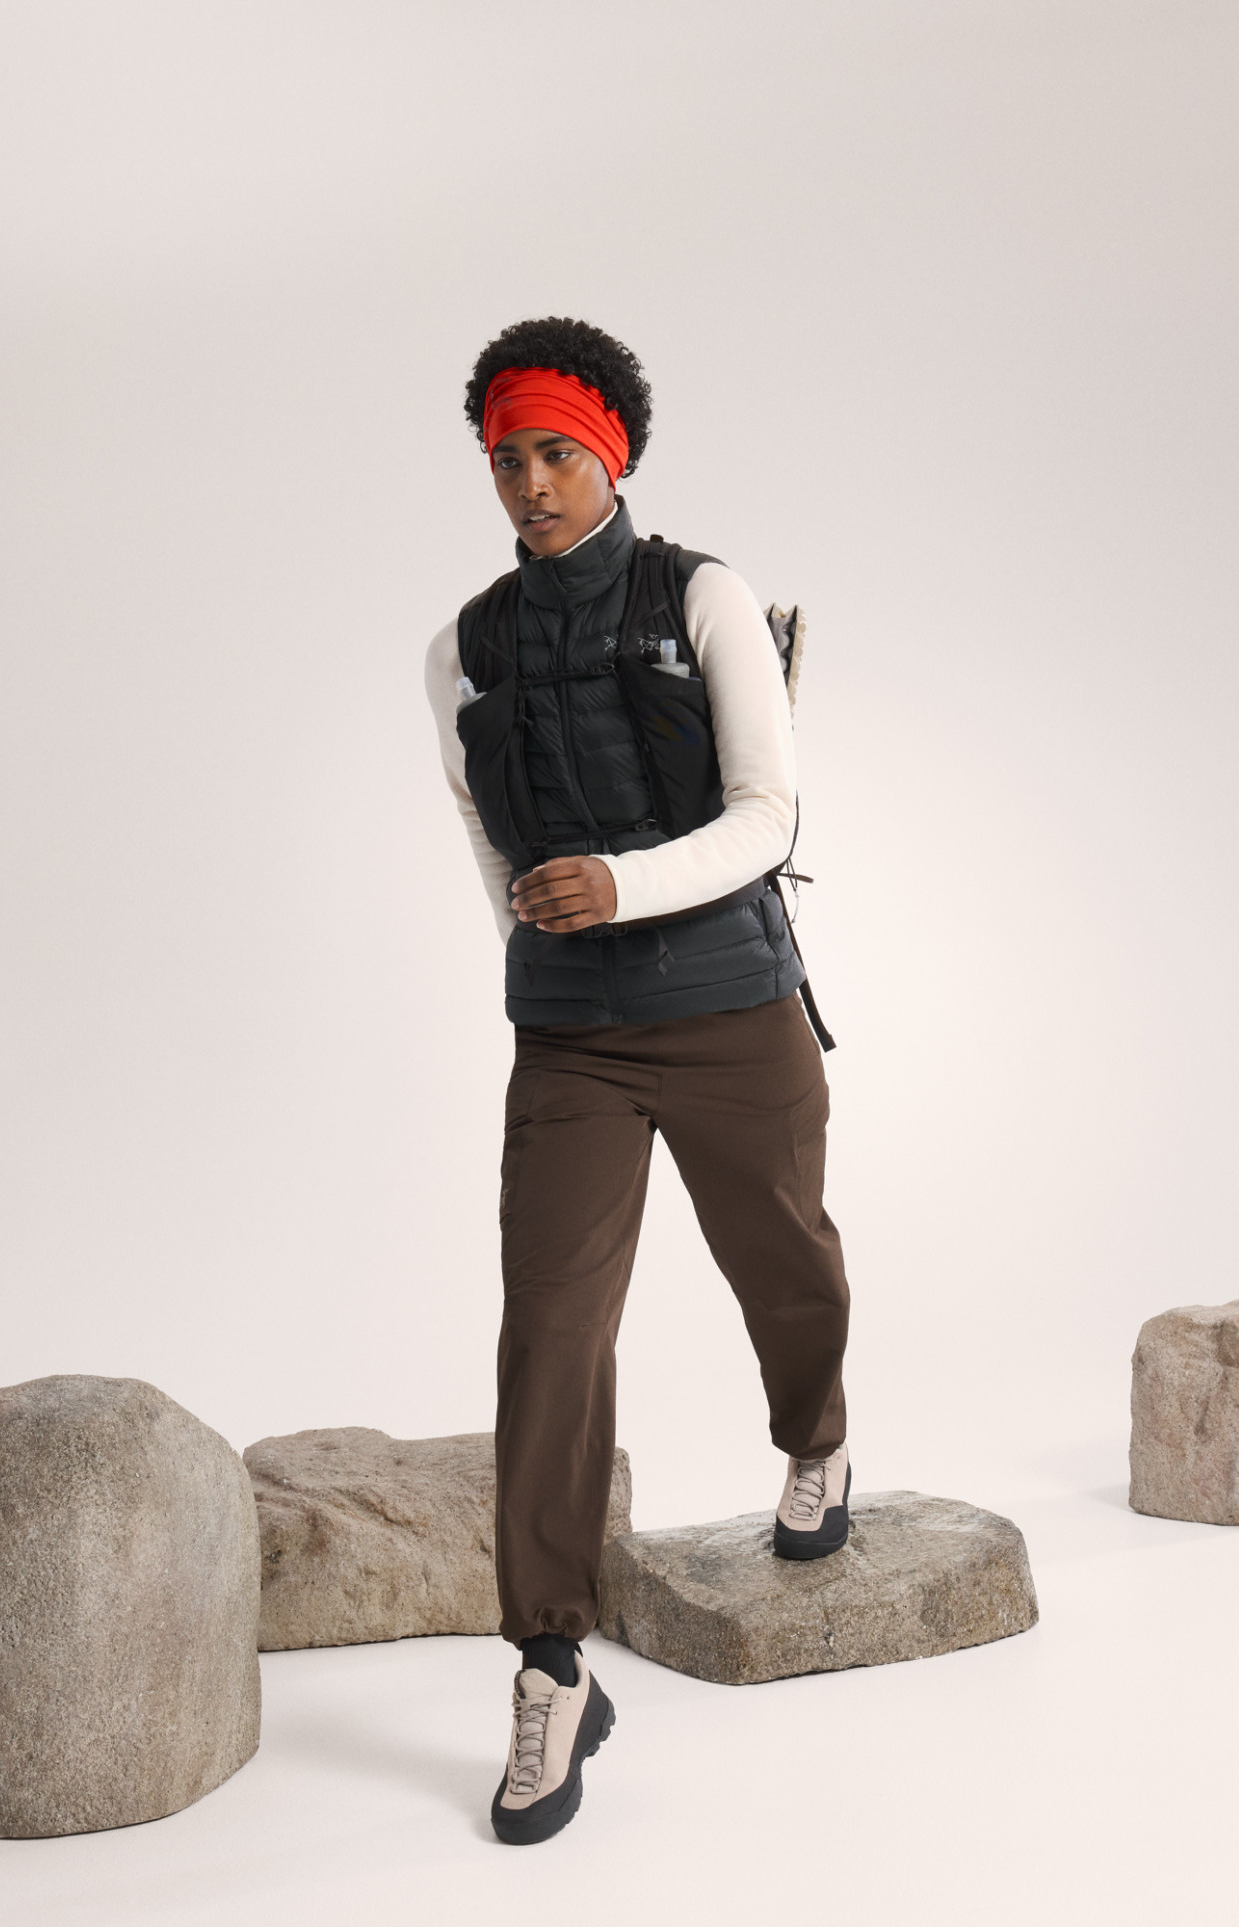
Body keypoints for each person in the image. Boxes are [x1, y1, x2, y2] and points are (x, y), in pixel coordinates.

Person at [424, 317, 853, 1846]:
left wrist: (619, 886)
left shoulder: (703, 595)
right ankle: (550, 1662)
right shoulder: (461, 648)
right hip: (570, 1039)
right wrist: (542, 956)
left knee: (783, 1264)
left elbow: (768, 815)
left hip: (734, 1006)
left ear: (610, 454)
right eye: (506, 460)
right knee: (549, 1331)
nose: (530, 484)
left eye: (556, 453)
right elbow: (488, 842)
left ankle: (815, 1441)